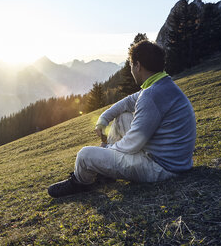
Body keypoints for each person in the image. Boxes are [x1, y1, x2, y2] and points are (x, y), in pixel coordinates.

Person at [48, 41, 196, 198]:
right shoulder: (162, 85)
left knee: (85, 155)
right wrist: (103, 119)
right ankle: (107, 173)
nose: (131, 70)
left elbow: (132, 144)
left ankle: (81, 183)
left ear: (138, 65)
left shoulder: (151, 95)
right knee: (123, 116)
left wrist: (106, 149)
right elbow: (126, 103)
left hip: (161, 168)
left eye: (131, 65)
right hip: (175, 161)